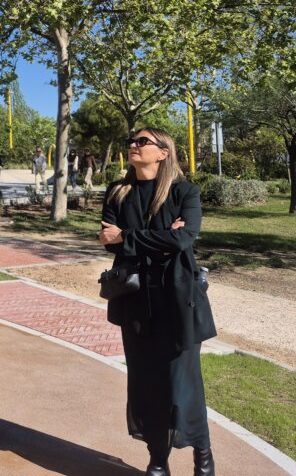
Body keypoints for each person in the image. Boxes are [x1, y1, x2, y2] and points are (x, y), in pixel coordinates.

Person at [97, 128, 217, 476]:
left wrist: (128, 236)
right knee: (145, 382)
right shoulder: (119, 192)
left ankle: (203, 454)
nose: (133, 145)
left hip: (178, 300)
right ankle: (157, 458)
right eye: (131, 141)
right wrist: (161, 237)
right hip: (135, 300)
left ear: (164, 152)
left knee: (183, 382)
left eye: (142, 142)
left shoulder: (184, 191)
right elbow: (107, 240)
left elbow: (182, 239)